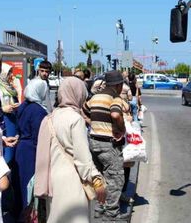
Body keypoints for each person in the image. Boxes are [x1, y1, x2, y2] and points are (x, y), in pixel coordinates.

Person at [34, 77, 106, 223]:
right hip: (72, 180)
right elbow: (82, 158)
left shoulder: (50, 117)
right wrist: (97, 180)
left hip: (53, 180)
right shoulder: (76, 119)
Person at [83, 70, 127, 219]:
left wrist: (92, 123)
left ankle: (99, 207)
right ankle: (111, 215)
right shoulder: (115, 97)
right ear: (119, 85)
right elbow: (115, 114)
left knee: (99, 177)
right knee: (115, 179)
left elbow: (84, 111)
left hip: (93, 142)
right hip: (108, 144)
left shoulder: (95, 97)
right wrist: (121, 129)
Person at [13, 78, 48, 217]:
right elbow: (38, 135)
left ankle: (20, 214)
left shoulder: (23, 106)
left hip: (21, 147)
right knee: (29, 186)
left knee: (20, 185)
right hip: (31, 151)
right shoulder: (38, 111)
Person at [0, 63, 20, 163]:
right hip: (4, 122)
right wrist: (3, 108)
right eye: (9, 73)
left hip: (12, 121)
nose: (11, 76)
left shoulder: (9, 87)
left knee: (12, 150)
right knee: (7, 154)